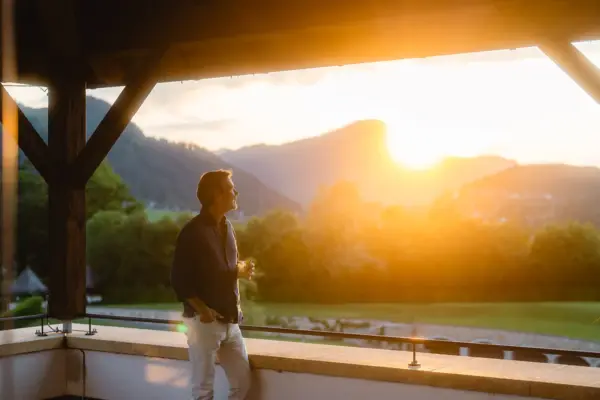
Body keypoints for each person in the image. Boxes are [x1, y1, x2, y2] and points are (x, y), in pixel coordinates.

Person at [171, 169, 253, 400]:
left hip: (231, 321)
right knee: (203, 390)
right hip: (204, 323)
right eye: (230, 188)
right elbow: (179, 279)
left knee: (243, 385)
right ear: (216, 195)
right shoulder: (192, 232)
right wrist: (203, 310)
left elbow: (220, 270)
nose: (235, 192)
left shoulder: (227, 227)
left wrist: (240, 270)